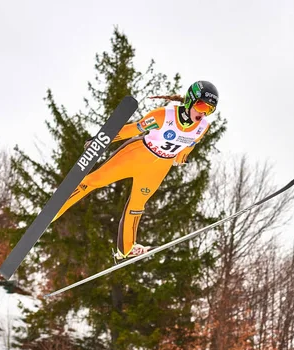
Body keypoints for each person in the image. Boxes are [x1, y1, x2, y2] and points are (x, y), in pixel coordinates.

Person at [51, 80, 219, 260]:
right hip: (137, 155)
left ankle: (126, 248)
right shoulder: (164, 116)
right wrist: (102, 140)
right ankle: (53, 211)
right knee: (94, 181)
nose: (203, 113)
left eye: (209, 110)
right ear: (190, 101)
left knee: (137, 206)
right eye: (201, 105)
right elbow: (132, 129)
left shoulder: (203, 127)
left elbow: (190, 144)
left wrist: (181, 157)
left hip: (158, 168)